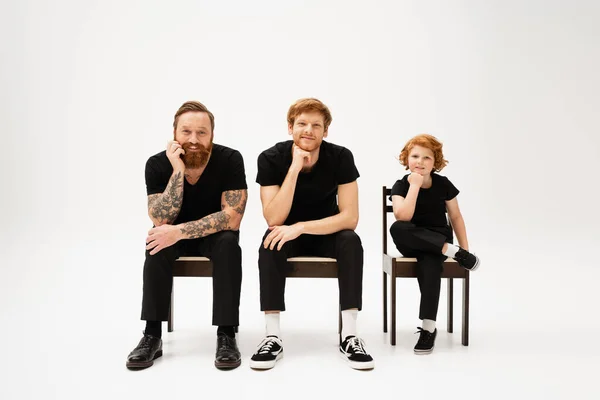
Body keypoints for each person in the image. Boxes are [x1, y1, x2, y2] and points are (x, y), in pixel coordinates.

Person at [250, 98, 374, 370]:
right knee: (270, 242)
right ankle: (272, 336)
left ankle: (350, 335)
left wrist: (302, 227)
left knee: (351, 241)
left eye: (316, 125)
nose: (309, 130)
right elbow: (273, 218)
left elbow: (350, 217)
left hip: (324, 232)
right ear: (290, 128)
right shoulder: (270, 158)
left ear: (325, 131)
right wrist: (294, 168)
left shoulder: (341, 157)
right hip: (284, 233)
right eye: (302, 124)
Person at [125, 101, 248, 370]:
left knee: (229, 244)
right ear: (174, 133)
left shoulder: (230, 160)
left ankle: (226, 334)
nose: (193, 140)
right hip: (169, 238)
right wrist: (177, 170)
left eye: (202, 133)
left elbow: (232, 218)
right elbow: (160, 218)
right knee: (156, 242)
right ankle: (152, 335)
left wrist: (179, 232)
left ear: (212, 135)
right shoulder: (158, 164)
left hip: (214, 236)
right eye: (186, 132)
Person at [389, 134, 480, 355]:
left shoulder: (443, 184)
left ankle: (428, 328)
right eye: (415, 156)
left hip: (438, 241)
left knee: (430, 266)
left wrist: (464, 249)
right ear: (406, 159)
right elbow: (403, 215)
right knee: (397, 227)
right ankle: (449, 250)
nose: (420, 162)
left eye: (427, 158)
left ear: (435, 162)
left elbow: (456, 217)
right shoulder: (401, 185)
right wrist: (414, 186)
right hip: (411, 239)